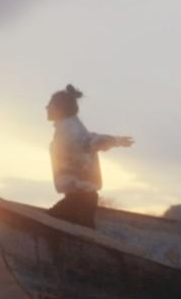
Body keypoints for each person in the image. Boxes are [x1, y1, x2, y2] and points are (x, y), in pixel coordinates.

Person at [45, 84, 134, 228]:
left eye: (50, 104)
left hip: (79, 200)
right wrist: (115, 140)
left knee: (50, 225)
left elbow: (89, 141)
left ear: (58, 107)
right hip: (78, 198)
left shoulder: (69, 128)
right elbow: (89, 140)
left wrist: (115, 141)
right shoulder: (67, 127)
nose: (46, 107)